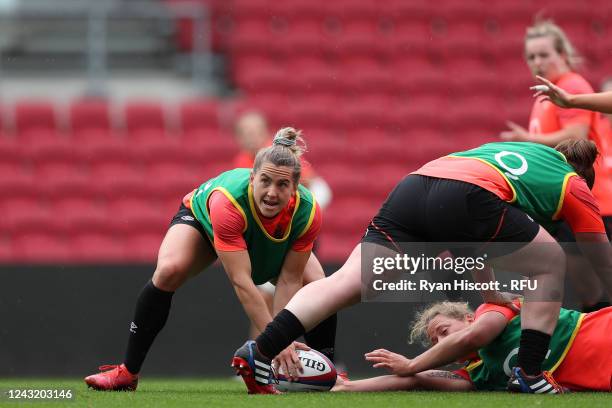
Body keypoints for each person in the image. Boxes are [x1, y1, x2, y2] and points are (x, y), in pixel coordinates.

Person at [232, 140, 612, 394]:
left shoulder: (520, 154)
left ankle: (261, 351)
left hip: (415, 186)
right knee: (551, 262)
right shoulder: (573, 184)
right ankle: (529, 375)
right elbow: (600, 257)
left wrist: (492, 294)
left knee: (347, 283)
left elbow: (478, 241)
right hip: (467, 197)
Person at [84, 128, 337, 392]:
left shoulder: (308, 212)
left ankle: (329, 376)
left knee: (319, 284)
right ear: (252, 178)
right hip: (205, 223)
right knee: (169, 270)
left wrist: (281, 338)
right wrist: (277, 343)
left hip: (263, 236)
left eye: (282, 185)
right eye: (265, 181)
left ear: (296, 187)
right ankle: (128, 373)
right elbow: (242, 281)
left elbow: (289, 280)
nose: (272, 192)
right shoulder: (227, 202)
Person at [500, 20, 612, 312]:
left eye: (544, 54)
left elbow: (576, 137)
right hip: (571, 198)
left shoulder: (571, 85)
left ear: (563, 54)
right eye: (532, 56)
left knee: (590, 281)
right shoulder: (547, 94)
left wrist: (528, 141)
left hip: (595, 199)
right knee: (587, 286)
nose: (537, 61)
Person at [331, 300, 612, 392]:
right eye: (435, 342)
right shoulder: (480, 373)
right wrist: (348, 386)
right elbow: (415, 380)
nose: (443, 342)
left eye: (443, 331)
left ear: (467, 318)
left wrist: (412, 362)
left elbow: (473, 337)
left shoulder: (493, 309)